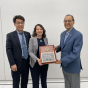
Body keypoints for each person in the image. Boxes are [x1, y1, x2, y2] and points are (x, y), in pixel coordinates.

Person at [54, 14, 83, 88]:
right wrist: (57, 47)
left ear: (73, 22)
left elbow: (75, 53)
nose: (67, 22)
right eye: (65, 21)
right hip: (65, 65)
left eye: (69, 21)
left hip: (73, 65)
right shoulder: (63, 34)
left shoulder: (78, 35)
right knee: (67, 84)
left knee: (74, 85)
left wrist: (61, 60)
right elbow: (63, 46)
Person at [6, 15, 31, 88]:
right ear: (14, 24)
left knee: (25, 81)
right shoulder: (10, 35)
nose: (20, 24)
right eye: (18, 23)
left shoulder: (27, 34)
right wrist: (12, 63)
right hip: (16, 63)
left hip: (26, 61)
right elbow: (8, 50)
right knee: (16, 82)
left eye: (22, 22)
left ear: (24, 23)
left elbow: (31, 47)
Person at [28, 24, 48, 88]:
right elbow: (30, 52)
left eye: (41, 29)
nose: (39, 30)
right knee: (35, 81)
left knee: (44, 81)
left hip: (44, 63)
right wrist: (38, 59)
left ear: (43, 30)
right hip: (35, 63)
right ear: (35, 31)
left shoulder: (45, 39)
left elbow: (47, 50)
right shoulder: (32, 39)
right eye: (38, 29)